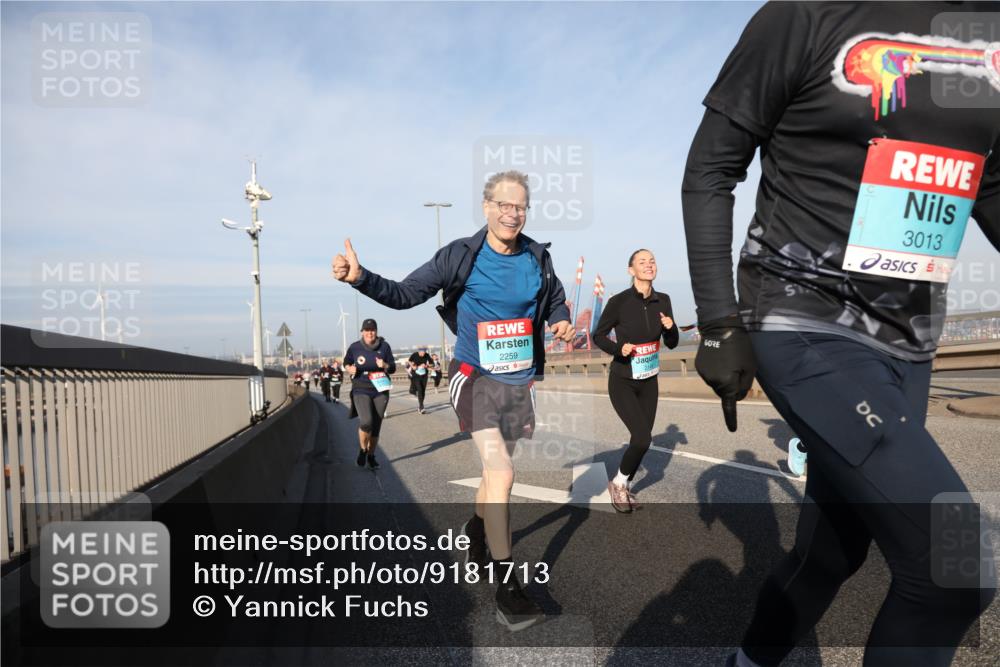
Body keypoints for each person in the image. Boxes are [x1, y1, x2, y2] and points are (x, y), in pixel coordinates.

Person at [681, 3, 998, 665]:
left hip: (908, 338)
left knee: (833, 548)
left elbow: (988, 181)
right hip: (803, 317)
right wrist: (717, 323)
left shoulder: (980, 31)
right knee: (952, 566)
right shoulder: (808, 13)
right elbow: (712, 167)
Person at [332, 169, 574, 631]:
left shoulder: (537, 259)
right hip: (473, 375)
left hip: (518, 383)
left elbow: (555, 300)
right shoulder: (461, 255)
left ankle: (477, 532)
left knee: (492, 476)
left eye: (520, 206)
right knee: (503, 471)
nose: (512, 213)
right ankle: (508, 588)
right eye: (503, 204)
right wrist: (360, 278)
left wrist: (560, 319)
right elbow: (405, 294)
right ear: (486, 207)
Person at [593, 249, 679, 513]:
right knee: (642, 438)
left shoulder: (663, 300)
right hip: (623, 381)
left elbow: (673, 344)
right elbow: (599, 335)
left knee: (642, 440)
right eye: (642, 262)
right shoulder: (619, 301)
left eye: (652, 261)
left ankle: (623, 484)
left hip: (649, 380)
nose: (649, 265)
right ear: (631, 270)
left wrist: (671, 327)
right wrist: (620, 349)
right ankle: (618, 484)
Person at [343, 319, 396, 470]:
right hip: (361, 388)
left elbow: (392, 367)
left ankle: (371, 456)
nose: (370, 332)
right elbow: (346, 361)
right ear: (362, 332)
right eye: (367, 330)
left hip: (380, 389)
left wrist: (385, 365)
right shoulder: (355, 347)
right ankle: (362, 450)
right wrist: (349, 368)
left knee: (376, 425)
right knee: (366, 421)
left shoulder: (384, 347)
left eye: (372, 330)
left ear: (376, 331)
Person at [408, 348, 433, 413]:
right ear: (419, 351)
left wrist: (426, 365)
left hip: (424, 375)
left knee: (423, 391)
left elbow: (432, 364)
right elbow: (409, 361)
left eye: (424, 352)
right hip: (416, 374)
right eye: (422, 352)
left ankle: (420, 406)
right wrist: (413, 366)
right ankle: (422, 407)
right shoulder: (414, 355)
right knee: (420, 389)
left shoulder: (427, 355)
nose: (423, 353)